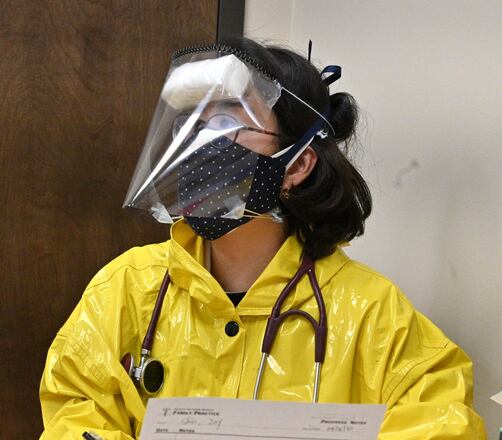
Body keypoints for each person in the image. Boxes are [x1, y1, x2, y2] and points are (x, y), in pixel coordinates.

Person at [38, 37, 485, 439]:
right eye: (196, 125)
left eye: (231, 123)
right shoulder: (127, 290)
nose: (204, 144)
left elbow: (442, 422)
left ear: (297, 165)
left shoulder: (373, 315)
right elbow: (75, 412)